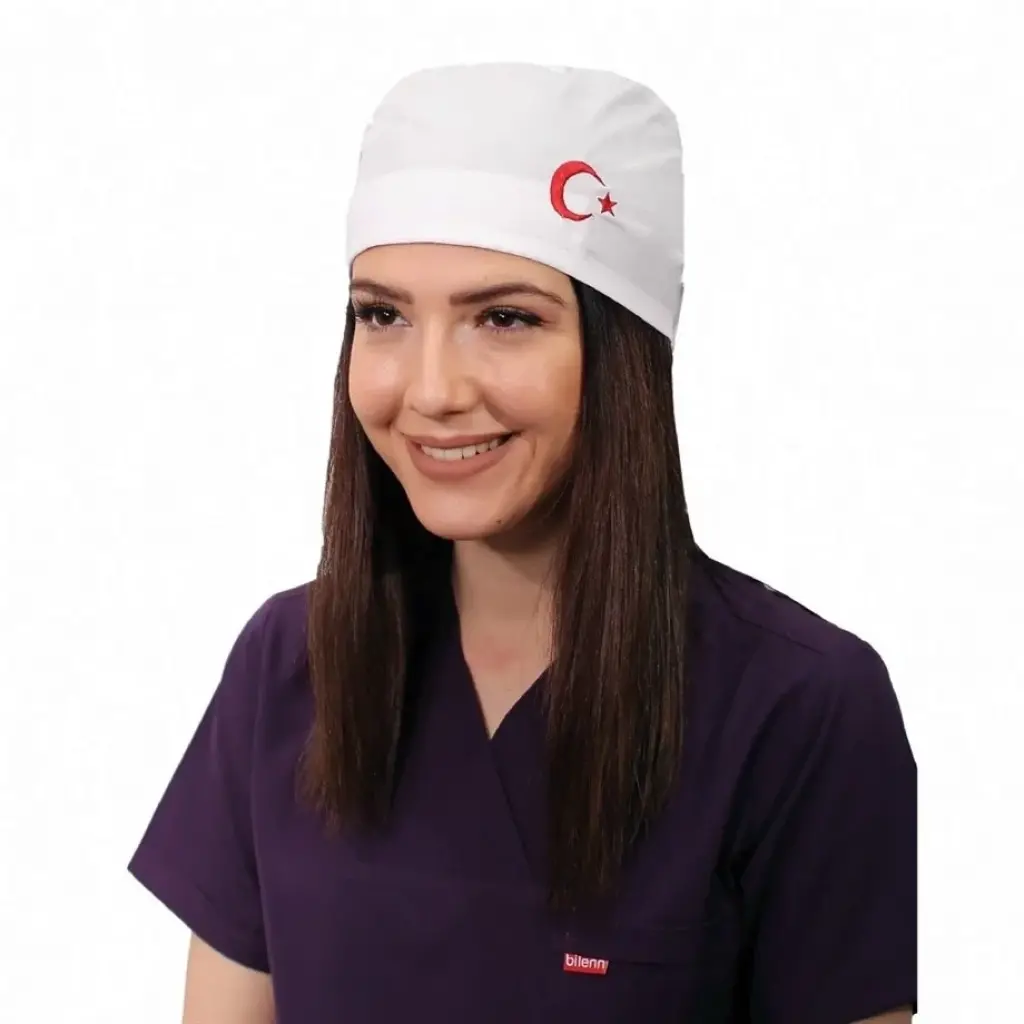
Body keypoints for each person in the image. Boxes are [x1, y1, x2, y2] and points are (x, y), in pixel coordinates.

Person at [128, 62, 917, 1024]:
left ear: (623, 352)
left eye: (503, 318)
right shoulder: (289, 667)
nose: (430, 391)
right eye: (382, 315)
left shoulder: (798, 710)